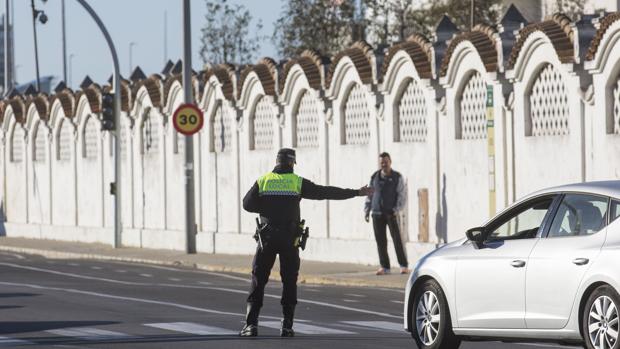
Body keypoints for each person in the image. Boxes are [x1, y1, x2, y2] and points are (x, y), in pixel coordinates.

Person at [240, 148, 373, 337]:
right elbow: (324, 192)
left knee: (258, 279)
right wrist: (356, 192)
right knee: (289, 281)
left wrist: (267, 208)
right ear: (292, 164)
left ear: (276, 162)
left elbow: (247, 204)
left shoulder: (263, 181)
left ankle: (251, 325)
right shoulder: (296, 182)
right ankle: (287, 326)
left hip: (267, 238)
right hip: (289, 239)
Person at [364, 152, 409, 275]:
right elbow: (369, 194)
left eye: (386, 161)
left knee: (397, 240)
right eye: (381, 162)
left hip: (391, 213)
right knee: (381, 241)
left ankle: (403, 265)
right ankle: (385, 267)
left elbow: (402, 195)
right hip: (377, 213)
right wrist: (367, 210)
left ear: (390, 162)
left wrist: (397, 209)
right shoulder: (374, 177)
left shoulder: (397, 177)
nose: (384, 164)